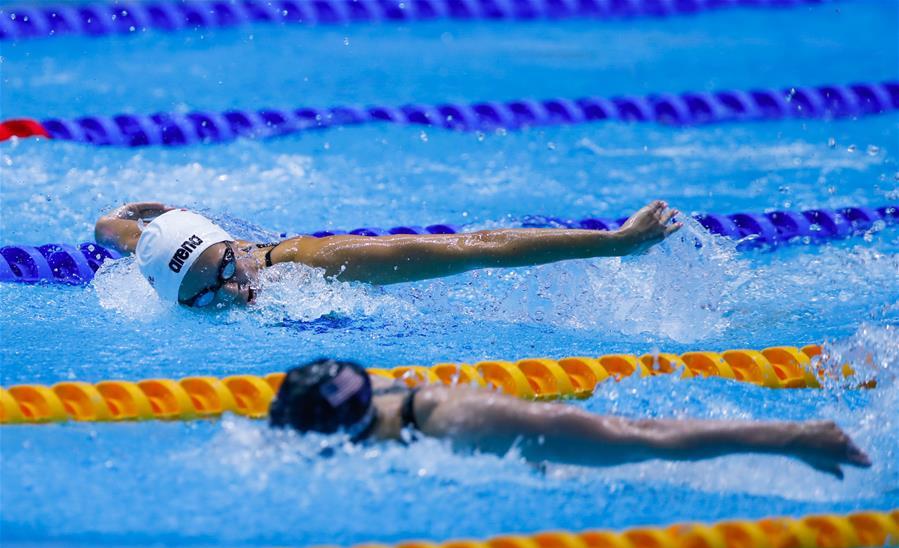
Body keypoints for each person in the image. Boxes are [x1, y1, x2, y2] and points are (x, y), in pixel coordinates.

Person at [268, 359, 872, 479]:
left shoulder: (457, 420)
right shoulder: (376, 401)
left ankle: (798, 433)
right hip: (527, 455)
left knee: (638, 442)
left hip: (523, 440)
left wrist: (790, 437)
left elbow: (637, 441)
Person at [94, 200, 681, 308]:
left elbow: (476, 248)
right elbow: (111, 228)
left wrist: (616, 244)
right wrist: (150, 211)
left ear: (234, 246)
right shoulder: (157, 263)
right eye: (205, 296)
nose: (234, 291)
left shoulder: (311, 264)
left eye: (228, 268)